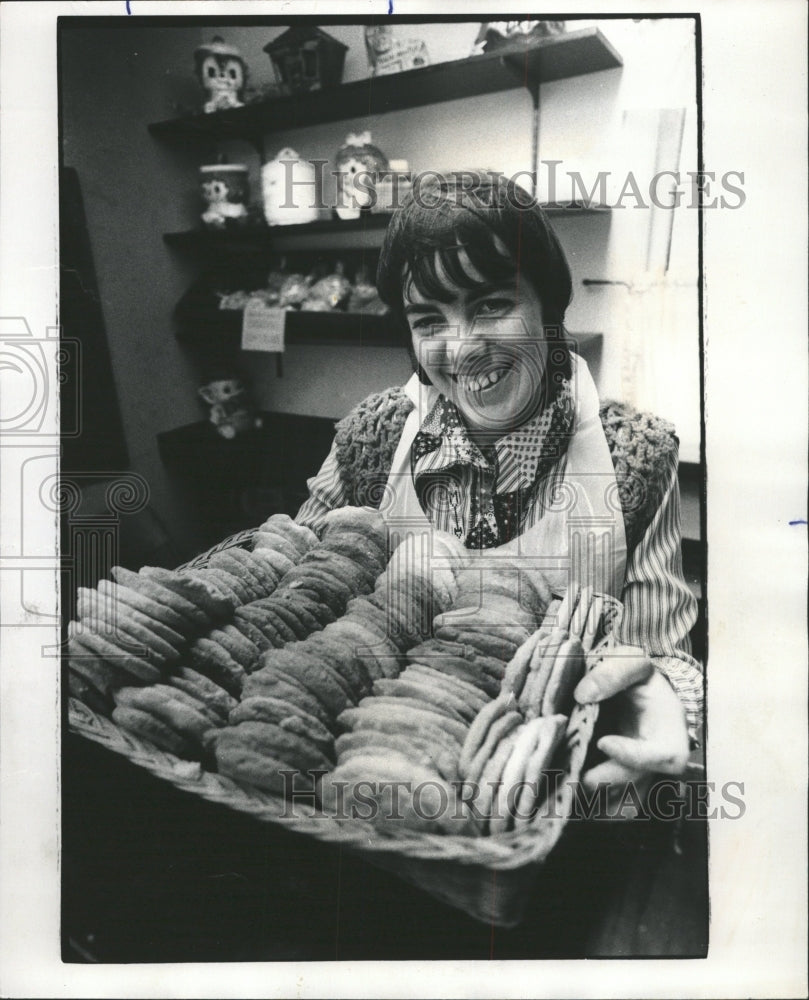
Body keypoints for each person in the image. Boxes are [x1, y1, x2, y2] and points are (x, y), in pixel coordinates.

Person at [296, 172, 702, 804]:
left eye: (490, 304)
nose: (461, 349)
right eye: (429, 319)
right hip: (365, 778)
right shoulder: (370, 440)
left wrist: (669, 707)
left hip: (554, 804)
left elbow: (665, 654)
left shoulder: (636, 457)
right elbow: (300, 600)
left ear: (549, 304)